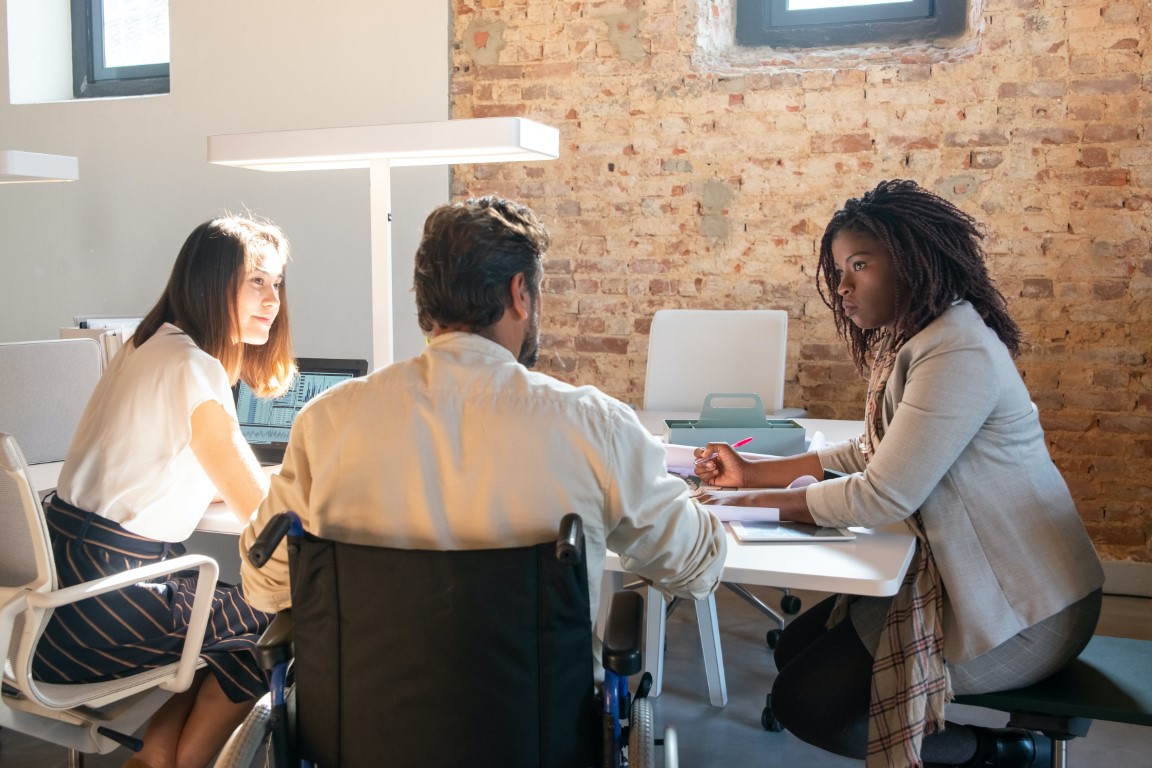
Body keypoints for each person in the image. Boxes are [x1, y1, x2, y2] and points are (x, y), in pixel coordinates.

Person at [693, 180, 1103, 768]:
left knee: (809, 704)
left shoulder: (957, 350)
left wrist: (749, 502)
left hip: (1028, 611)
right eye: (838, 268)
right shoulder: (916, 338)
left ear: (914, 261)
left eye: (860, 264)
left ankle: (1006, 753)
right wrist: (758, 472)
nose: (842, 286)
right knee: (797, 652)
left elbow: (885, 493)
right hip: (970, 583)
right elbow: (874, 451)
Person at [240, 196, 726, 666]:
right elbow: (696, 566)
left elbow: (264, 584)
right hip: (536, 735)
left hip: (359, 734)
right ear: (520, 294)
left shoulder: (328, 422)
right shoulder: (595, 426)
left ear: (425, 305)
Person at [33, 215, 298, 768]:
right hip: (109, 602)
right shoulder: (193, 367)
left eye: (277, 283)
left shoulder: (147, 346)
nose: (272, 298)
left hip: (57, 600)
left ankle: (155, 759)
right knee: (265, 629)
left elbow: (160, 474)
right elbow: (260, 511)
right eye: (256, 280)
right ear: (210, 280)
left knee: (210, 632)